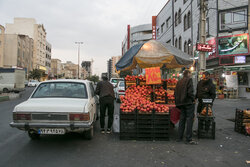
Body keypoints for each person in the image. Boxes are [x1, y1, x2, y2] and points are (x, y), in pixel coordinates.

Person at [175, 70, 197, 144]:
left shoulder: (179, 81)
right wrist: (193, 99)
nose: (191, 75)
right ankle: (188, 138)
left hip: (181, 103)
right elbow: (190, 92)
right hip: (188, 103)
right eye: (190, 74)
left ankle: (179, 137)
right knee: (189, 120)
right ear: (188, 74)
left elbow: (176, 93)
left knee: (182, 120)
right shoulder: (189, 80)